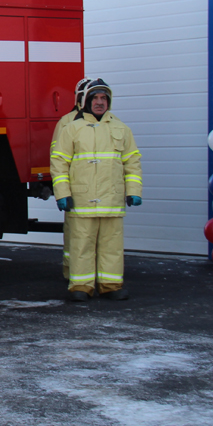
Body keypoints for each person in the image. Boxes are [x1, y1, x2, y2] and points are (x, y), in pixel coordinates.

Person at [50, 78, 143, 301]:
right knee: (82, 245)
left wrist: (134, 191)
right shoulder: (71, 128)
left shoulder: (121, 128)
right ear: (86, 101)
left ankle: (111, 285)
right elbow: (59, 163)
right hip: (82, 199)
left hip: (112, 198)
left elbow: (132, 162)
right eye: (95, 98)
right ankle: (81, 286)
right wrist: (63, 194)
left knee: (112, 245)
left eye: (104, 98)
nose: (100, 102)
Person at [51, 77, 93, 280]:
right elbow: (58, 158)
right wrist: (63, 191)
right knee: (75, 236)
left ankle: (95, 276)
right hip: (76, 190)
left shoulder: (109, 123)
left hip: (98, 191)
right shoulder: (67, 122)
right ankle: (71, 272)